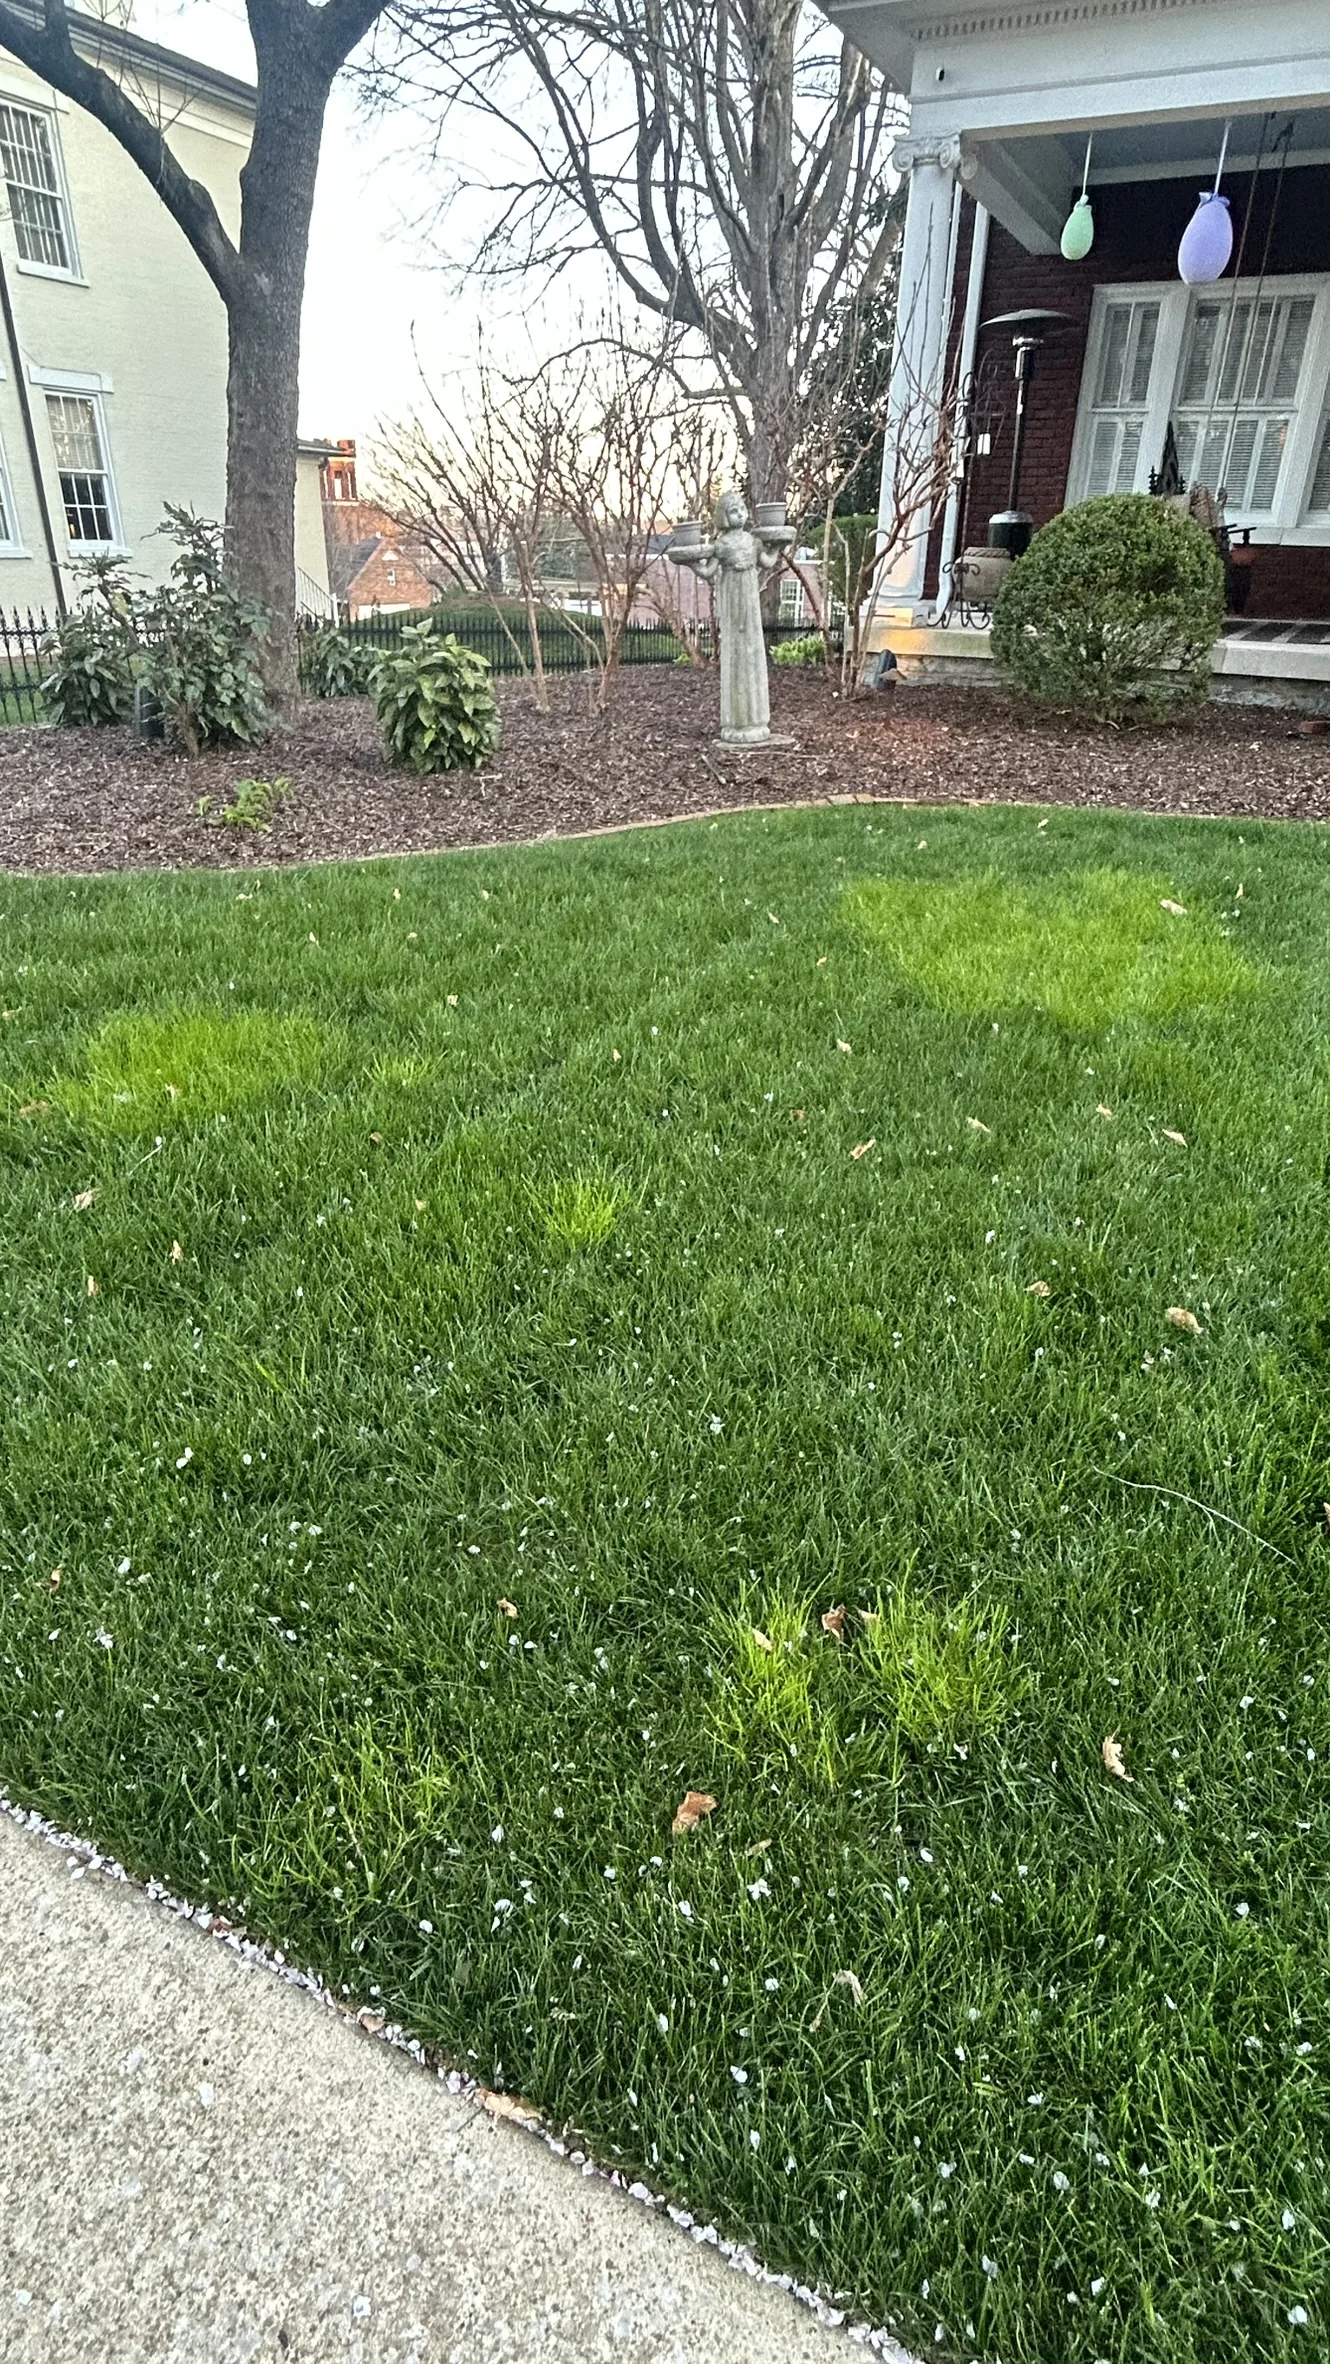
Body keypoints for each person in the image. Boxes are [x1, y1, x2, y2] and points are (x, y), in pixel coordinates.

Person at [669, 491, 794, 744]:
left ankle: (758, 720)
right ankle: (736, 722)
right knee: (736, 651)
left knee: (753, 650)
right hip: (732, 598)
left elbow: (768, 562)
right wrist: (692, 562)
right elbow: (707, 571)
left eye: (742, 509)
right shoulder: (722, 545)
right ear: (724, 516)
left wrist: (778, 546)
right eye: (733, 511)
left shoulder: (753, 541)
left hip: (750, 598)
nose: (740, 514)